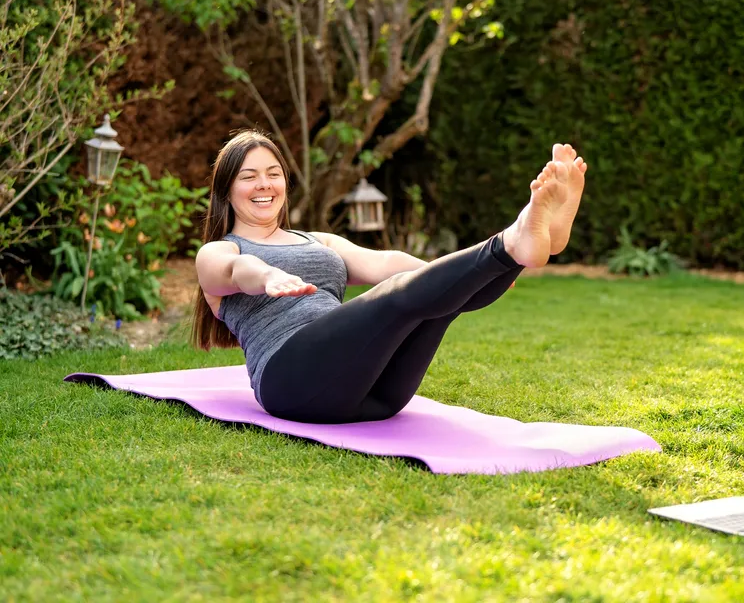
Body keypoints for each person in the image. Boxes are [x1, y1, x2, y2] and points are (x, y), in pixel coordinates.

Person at [192, 131, 587, 424]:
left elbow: (385, 263)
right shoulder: (219, 251)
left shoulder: (319, 240)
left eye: (273, 173)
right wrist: (268, 276)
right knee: (396, 299)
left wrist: (474, 275)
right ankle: (513, 243)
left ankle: (523, 249)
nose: (264, 184)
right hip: (293, 382)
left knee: (436, 306)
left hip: (376, 395)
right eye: (249, 176)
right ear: (226, 190)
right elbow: (236, 271)